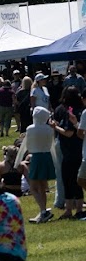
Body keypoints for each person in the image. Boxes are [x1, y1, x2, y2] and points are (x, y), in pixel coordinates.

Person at [52, 89, 84, 221]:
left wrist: (54, 127)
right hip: (79, 148)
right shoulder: (81, 109)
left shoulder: (65, 110)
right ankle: (76, 209)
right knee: (75, 181)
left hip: (68, 150)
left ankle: (71, 209)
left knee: (68, 180)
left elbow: (68, 132)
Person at [19, 106, 55, 223]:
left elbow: (26, 146)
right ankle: (43, 210)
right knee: (42, 186)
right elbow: (51, 145)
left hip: (36, 157)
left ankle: (43, 210)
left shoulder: (30, 129)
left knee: (33, 187)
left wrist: (18, 161)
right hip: (47, 157)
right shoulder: (49, 129)